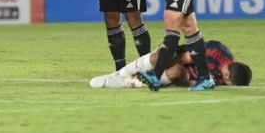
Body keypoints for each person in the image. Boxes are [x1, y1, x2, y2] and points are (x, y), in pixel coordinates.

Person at [89, 40, 252, 89]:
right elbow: (185, 58)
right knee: (157, 59)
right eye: (227, 80)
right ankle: (118, 75)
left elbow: (199, 81)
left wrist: (189, 82)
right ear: (228, 74)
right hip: (178, 55)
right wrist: (160, 66)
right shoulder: (215, 51)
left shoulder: (230, 71)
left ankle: (129, 83)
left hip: (186, 73)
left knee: (176, 72)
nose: (224, 83)